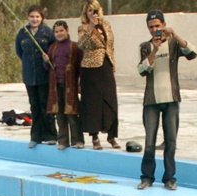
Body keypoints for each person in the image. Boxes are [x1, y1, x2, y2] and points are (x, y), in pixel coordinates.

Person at [136, 9, 197, 192]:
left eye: (157, 26)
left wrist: (175, 34)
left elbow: (192, 53)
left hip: (171, 100)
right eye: (151, 27)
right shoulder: (146, 47)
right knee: (149, 142)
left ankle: (169, 178)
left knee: (171, 142)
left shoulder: (173, 44)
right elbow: (142, 70)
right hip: (151, 101)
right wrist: (154, 50)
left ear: (163, 25)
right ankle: (147, 177)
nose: (155, 29)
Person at [77, 0, 121, 151]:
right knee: (92, 102)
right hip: (90, 68)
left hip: (106, 65)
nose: (93, 13)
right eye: (89, 10)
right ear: (86, 13)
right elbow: (81, 44)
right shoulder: (83, 28)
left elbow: (111, 45)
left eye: (95, 10)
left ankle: (111, 135)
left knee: (110, 100)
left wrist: (113, 62)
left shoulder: (107, 25)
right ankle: (94, 136)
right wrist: (91, 27)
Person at [16, 5, 57, 149]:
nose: (35, 19)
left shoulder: (47, 32)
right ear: (28, 17)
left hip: (43, 75)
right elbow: (19, 51)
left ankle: (51, 135)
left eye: (37, 17)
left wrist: (48, 58)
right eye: (32, 16)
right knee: (34, 106)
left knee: (45, 105)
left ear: (42, 18)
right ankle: (36, 136)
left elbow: (54, 50)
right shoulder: (23, 33)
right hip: (29, 76)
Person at [43, 20, 84, 150]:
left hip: (70, 84)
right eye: (56, 31)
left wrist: (80, 83)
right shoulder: (52, 48)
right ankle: (63, 141)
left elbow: (80, 66)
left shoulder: (75, 47)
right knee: (60, 114)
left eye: (61, 30)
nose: (59, 33)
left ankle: (77, 140)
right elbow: (47, 67)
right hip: (56, 85)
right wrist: (46, 61)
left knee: (72, 114)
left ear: (67, 31)